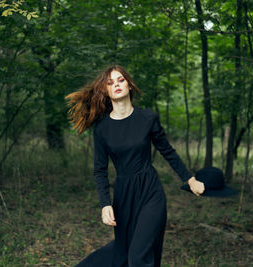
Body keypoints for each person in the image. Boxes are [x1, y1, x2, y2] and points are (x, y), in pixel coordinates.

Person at [66, 65, 205, 267]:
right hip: (123, 197)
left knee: (138, 257)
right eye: (110, 83)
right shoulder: (102, 129)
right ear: (106, 91)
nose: (117, 85)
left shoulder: (148, 118)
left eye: (121, 80)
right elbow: (100, 170)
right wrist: (105, 204)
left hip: (151, 192)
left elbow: (168, 151)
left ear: (129, 85)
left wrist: (190, 180)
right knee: (122, 255)